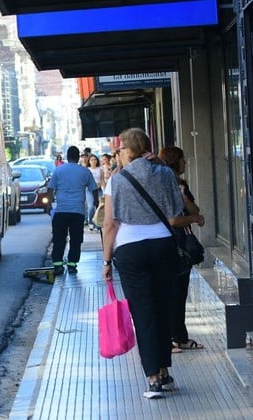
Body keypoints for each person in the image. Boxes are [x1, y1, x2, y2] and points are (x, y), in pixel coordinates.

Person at [101, 128, 184, 399]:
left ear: (130, 150)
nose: (118, 154)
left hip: (130, 250)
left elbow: (110, 224)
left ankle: (153, 378)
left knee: (143, 312)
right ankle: (164, 371)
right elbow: (175, 210)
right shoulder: (165, 173)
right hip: (163, 246)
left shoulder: (117, 180)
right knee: (163, 308)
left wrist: (106, 260)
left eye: (121, 149)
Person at [158, 146, 206, 352]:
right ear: (173, 161)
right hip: (169, 244)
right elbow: (173, 220)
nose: (185, 162)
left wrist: (185, 198)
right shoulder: (163, 185)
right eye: (182, 159)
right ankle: (170, 338)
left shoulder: (181, 184)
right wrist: (194, 218)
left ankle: (179, 336)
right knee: (171, 293)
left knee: (180, 292)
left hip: (184, 246)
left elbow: (196, 209)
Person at [47, 145, 99, 275]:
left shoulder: (58, 170)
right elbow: (94, 189)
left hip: (61, 210)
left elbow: (50, 188)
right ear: (78, 157)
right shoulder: (85, 172)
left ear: (67, 156)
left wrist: (48, 204)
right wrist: (96, 202)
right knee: (76, 239)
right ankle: (72, 265)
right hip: (78, 211)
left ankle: (58, 265)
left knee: (59, 238)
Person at [86, 154, 103, 231]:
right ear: (89, 161)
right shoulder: (87, 170)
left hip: (98, 190)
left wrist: (105, 190)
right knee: (91, 207)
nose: (93, 161)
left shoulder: (100, 169)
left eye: (95, 159)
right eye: (92, 160)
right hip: (90, 190)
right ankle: (91, 222)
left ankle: (98, 224)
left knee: (99, 207)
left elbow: (102, 180)